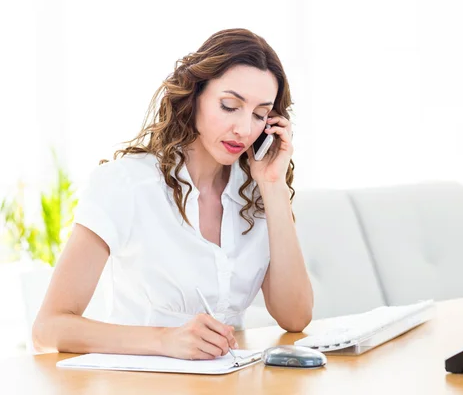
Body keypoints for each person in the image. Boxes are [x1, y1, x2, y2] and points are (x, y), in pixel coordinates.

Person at [32, 28, 314, 360]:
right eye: (229, 106)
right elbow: (48, 329)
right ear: (195, 95)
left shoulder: (256, 191)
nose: (245, 129)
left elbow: (295, 317)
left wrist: (273, 186)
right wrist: (165, 340)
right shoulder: (126, 184)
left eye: (259, 114)